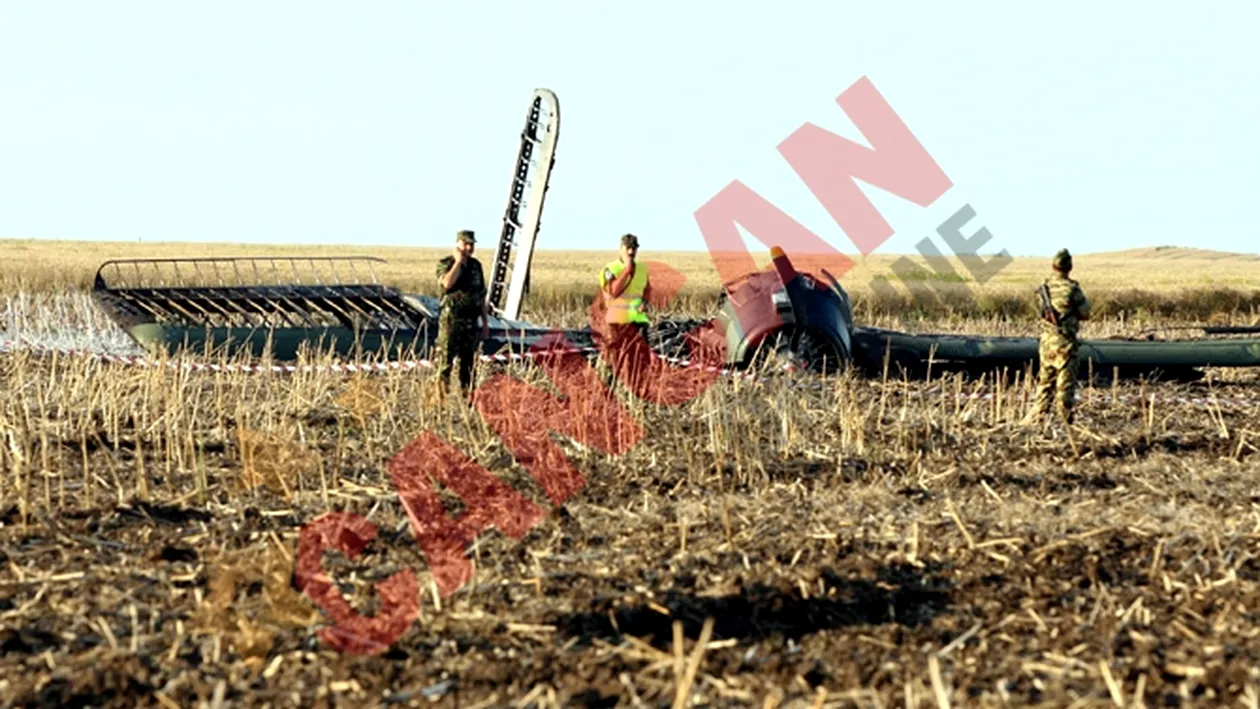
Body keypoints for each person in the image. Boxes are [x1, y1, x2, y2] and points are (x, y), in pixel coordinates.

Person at [1024, 248, 1091, 425]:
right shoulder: (1072, 289)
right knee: (1065, 386)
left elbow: (1038, 311)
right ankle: (1066, 423)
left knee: (1045, 383)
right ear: (1070, 267)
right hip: (1065, 343)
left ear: (1053, 266)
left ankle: (1036, 419)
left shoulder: (1044, 287)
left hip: (1046, 342)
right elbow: (1086, 313)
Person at [434, 229, 490, 398]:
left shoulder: (476, 267)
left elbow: (480, 296)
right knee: (445, 364)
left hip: (470, 322)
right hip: (451, 322)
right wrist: (458, 263)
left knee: (468, 365)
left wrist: (485, 323)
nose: (468, 248)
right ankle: (440, 401)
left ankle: (468, 399)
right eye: (465, 244)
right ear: (457, 244)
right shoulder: (446, 263)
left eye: (471, 244)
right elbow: (447, 284)